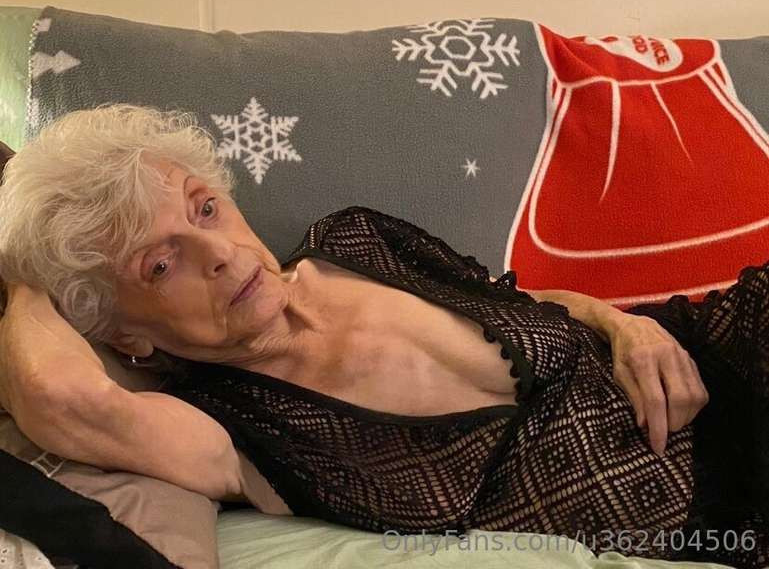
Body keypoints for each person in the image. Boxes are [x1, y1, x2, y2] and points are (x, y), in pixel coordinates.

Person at [0, 104, 765, 568]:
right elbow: (59, 395)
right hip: (716, 522)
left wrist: (624, 324)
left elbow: (522, 299)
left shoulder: (353, 240)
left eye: (205, 208)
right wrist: (27, 266)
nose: (221, 253)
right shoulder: (230, 430)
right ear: (125, 333)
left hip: (717, 353)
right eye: (161, 264)